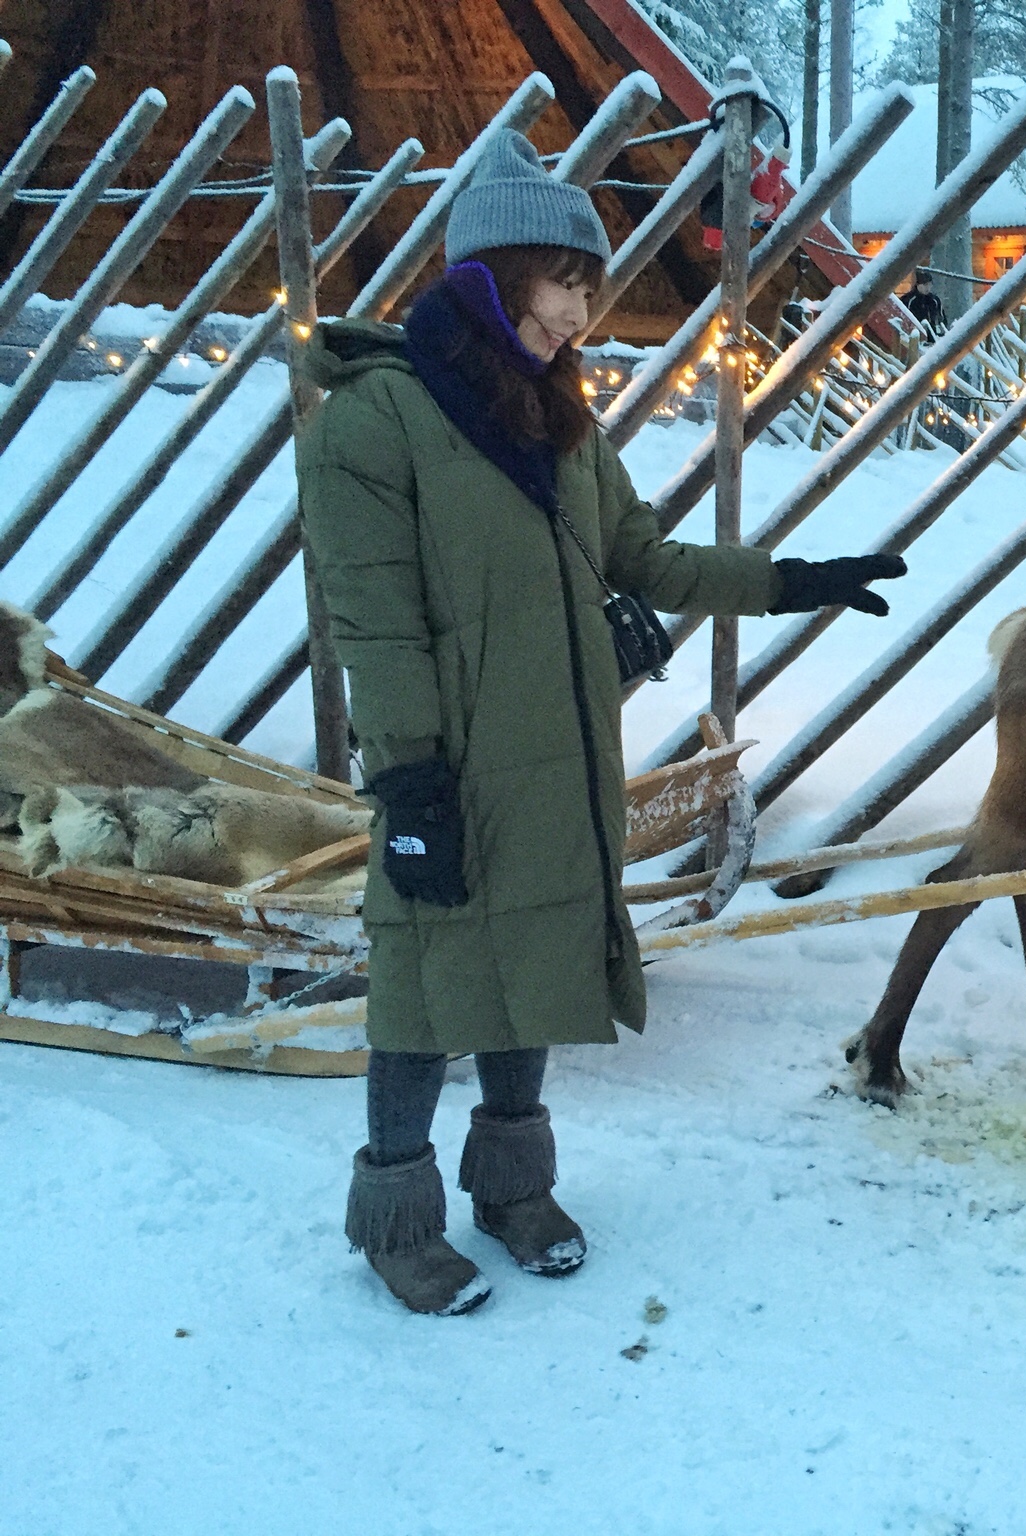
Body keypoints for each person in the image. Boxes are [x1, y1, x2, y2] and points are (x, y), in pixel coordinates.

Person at [298, 131, 905, 1316]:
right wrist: (410, 781)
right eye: (567, 279)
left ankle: (514, 1192)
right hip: (454, 766)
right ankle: (397, 1217)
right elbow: (375, 625)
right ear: (495, 272)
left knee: (536, 967)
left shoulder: (557, 418)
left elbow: (643, 556)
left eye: (591, 285)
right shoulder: (374, 423)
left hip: (564, 759)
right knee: (425, 989)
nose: (584, 306)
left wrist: (794, 579)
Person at [903, 268, 947, 333]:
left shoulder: (935, 300)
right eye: (925, 285)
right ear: (918, 285)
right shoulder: (908, 300)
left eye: (930, 284)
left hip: (933, 336)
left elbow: (942, 319)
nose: (928, 288)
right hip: (915, 335)